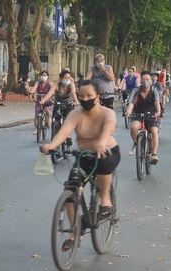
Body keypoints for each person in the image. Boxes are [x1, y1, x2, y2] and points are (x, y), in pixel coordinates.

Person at [40, 80, 120, 234]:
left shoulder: (107, 112)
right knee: (70, 187)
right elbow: (65, 131)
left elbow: (108, 129)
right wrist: (51, 145)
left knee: (103, 164)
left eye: (89, 95)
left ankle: (105, 200)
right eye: (81, 96)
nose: (85, 99)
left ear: (97, 96)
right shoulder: (76, 114)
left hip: (108, 152)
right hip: (83, 155)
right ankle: (76, 230)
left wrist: (101, 144)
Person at [124, 71, 162, 164]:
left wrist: (158, 112)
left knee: (154, 131)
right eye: (143, 79)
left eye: (147, 79)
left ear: (151, 81)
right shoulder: (136, 90)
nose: (145, 81)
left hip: (152, 115)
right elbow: (131, 102)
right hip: (138, 114)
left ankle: (153, 154)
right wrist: (128, 111)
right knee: (133, 127)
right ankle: (136, 144)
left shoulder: (154, 91)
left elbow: (157, 102)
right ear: (140, 81)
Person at [29, 70, 53, 135]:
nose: (43, 77)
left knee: (46, 109)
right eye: (42, 75)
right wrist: (31, 92)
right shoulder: (37, 83)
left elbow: (52, 91)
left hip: (47, 100)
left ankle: (49, 118)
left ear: (47, 76)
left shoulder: (50, 84)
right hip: (39, 100)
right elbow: (34, 89)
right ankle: (36, 129)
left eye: (45, 75)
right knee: (36, 114)